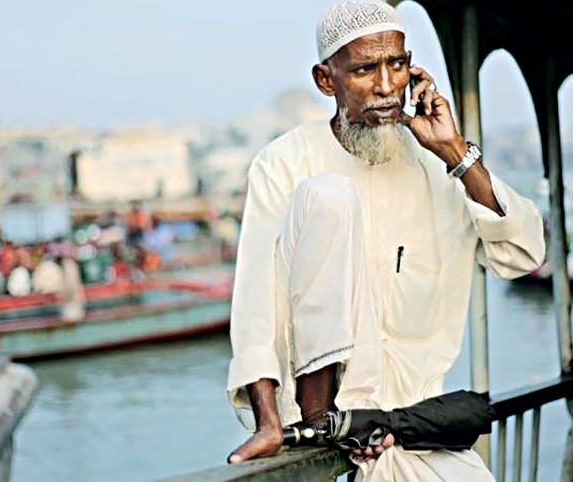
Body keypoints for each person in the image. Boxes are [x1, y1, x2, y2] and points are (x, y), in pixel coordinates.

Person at [225, 1, 546, 480]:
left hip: (411, 434)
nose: (384, 86)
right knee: (329, 197)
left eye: (396, 65)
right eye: (363, 69)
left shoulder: (440, 168)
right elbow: (256, 305)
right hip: (321, 440)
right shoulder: (286, 163)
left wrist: (455, 153)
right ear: (326, 80)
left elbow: (524, 254)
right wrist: (269, 422)